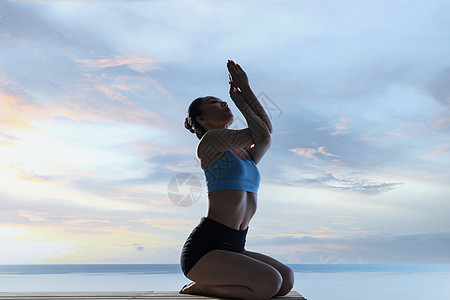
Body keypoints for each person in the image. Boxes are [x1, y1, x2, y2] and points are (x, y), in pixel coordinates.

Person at [180, 60, 294, 300]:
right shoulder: (210, 143)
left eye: (222, 101)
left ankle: (212, 283)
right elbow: (261, 132)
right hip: (206, 250)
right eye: (214, 103)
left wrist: (246, 90)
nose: (222, 103)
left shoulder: (246, 155)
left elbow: (265, 134)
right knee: (269, 283)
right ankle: (203, 286)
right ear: (202, 120)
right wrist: (239, 99)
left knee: (286, 280)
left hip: (234, 245)